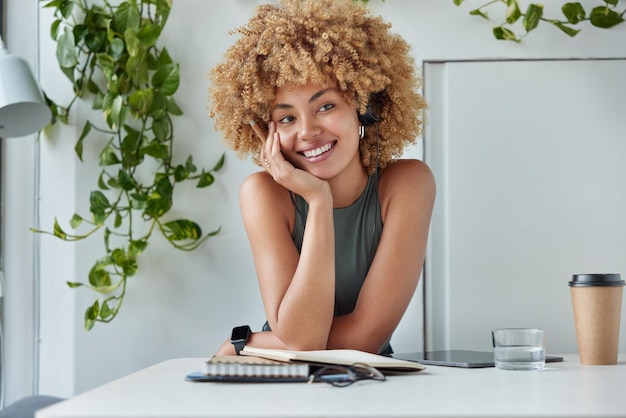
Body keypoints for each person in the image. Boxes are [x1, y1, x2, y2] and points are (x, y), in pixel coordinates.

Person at [209, 0, 435, 355]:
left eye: (326, 106)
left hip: (356, 378)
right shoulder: (262, 193)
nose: (308, 131)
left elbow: (362, 340)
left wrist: (246, 343)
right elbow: (301, 340)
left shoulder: (408, 184)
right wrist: (317, 199)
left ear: (364, 109)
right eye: (286, 119)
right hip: (281, 377)